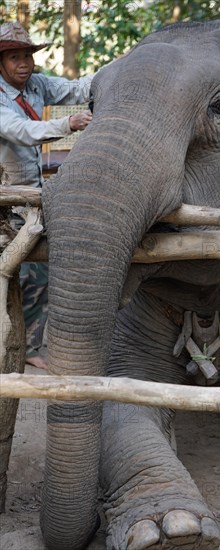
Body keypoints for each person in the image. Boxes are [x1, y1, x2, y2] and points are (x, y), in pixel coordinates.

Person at [0, 21, 94, 369]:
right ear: (1, 62)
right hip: (4, 197)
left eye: (27, 56)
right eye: (14, 58)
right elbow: (21, 131)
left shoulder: (37, 84)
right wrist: (67, 125)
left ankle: (27, 346)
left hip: (29, 196)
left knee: (37, 272)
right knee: (23, 271)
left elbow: (76, 89)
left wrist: (119, 70)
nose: (23, 64)